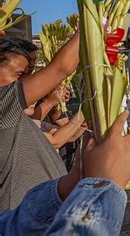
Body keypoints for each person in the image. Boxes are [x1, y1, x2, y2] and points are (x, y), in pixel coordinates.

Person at [0, 111, 130, 235]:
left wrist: (70, 184)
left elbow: (10, 227)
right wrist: (101, 187)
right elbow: (56, 140)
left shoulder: (23, 120)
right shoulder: (9, 118)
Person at [0, 33, 79, 210]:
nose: (24, 81)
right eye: (19, 74)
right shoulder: (2, 104)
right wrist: (90, 27)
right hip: (23, 215)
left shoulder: (13, 113)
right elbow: (61, 68)